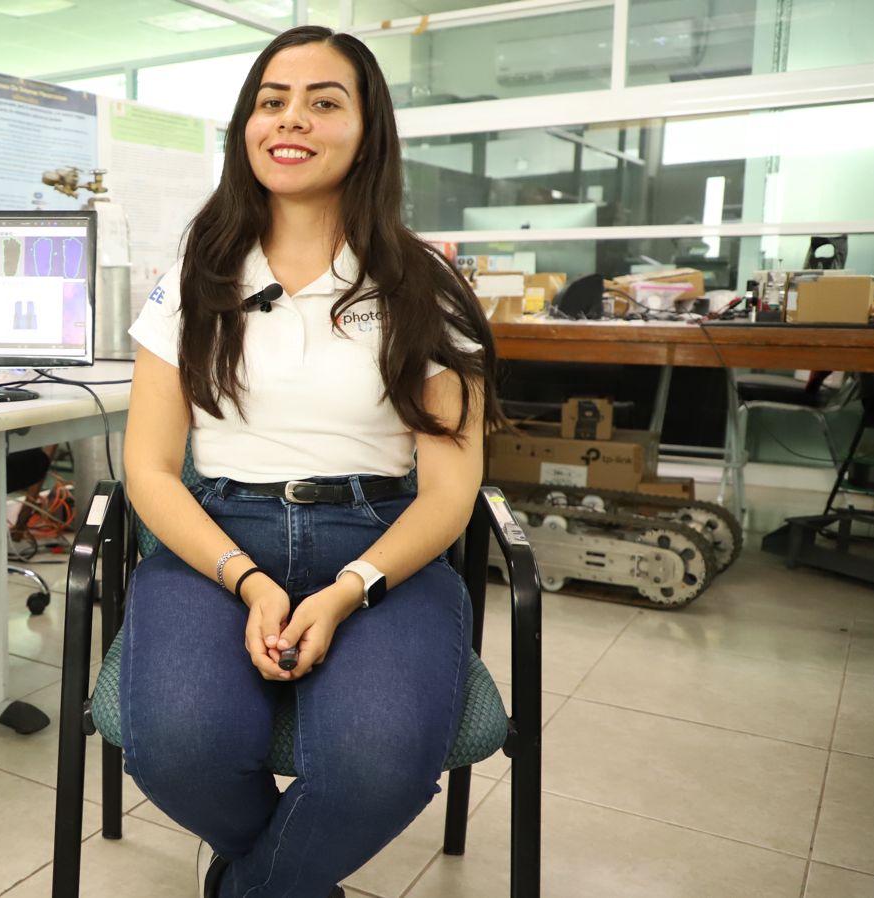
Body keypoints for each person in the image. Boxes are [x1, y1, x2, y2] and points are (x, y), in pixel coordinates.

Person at [119, 25, 508, 898]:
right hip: (217, 536)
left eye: (324, 102)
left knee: (376, 765)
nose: (291, 119)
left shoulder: (425, 286)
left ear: (367, 133)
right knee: (178, 749)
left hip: (380, 542)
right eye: (272, 101)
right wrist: (249, 580)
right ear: (246, 127)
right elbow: (149, 469)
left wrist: (347, 590)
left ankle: (252, 887)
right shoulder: (195, 275)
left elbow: (451, 490)